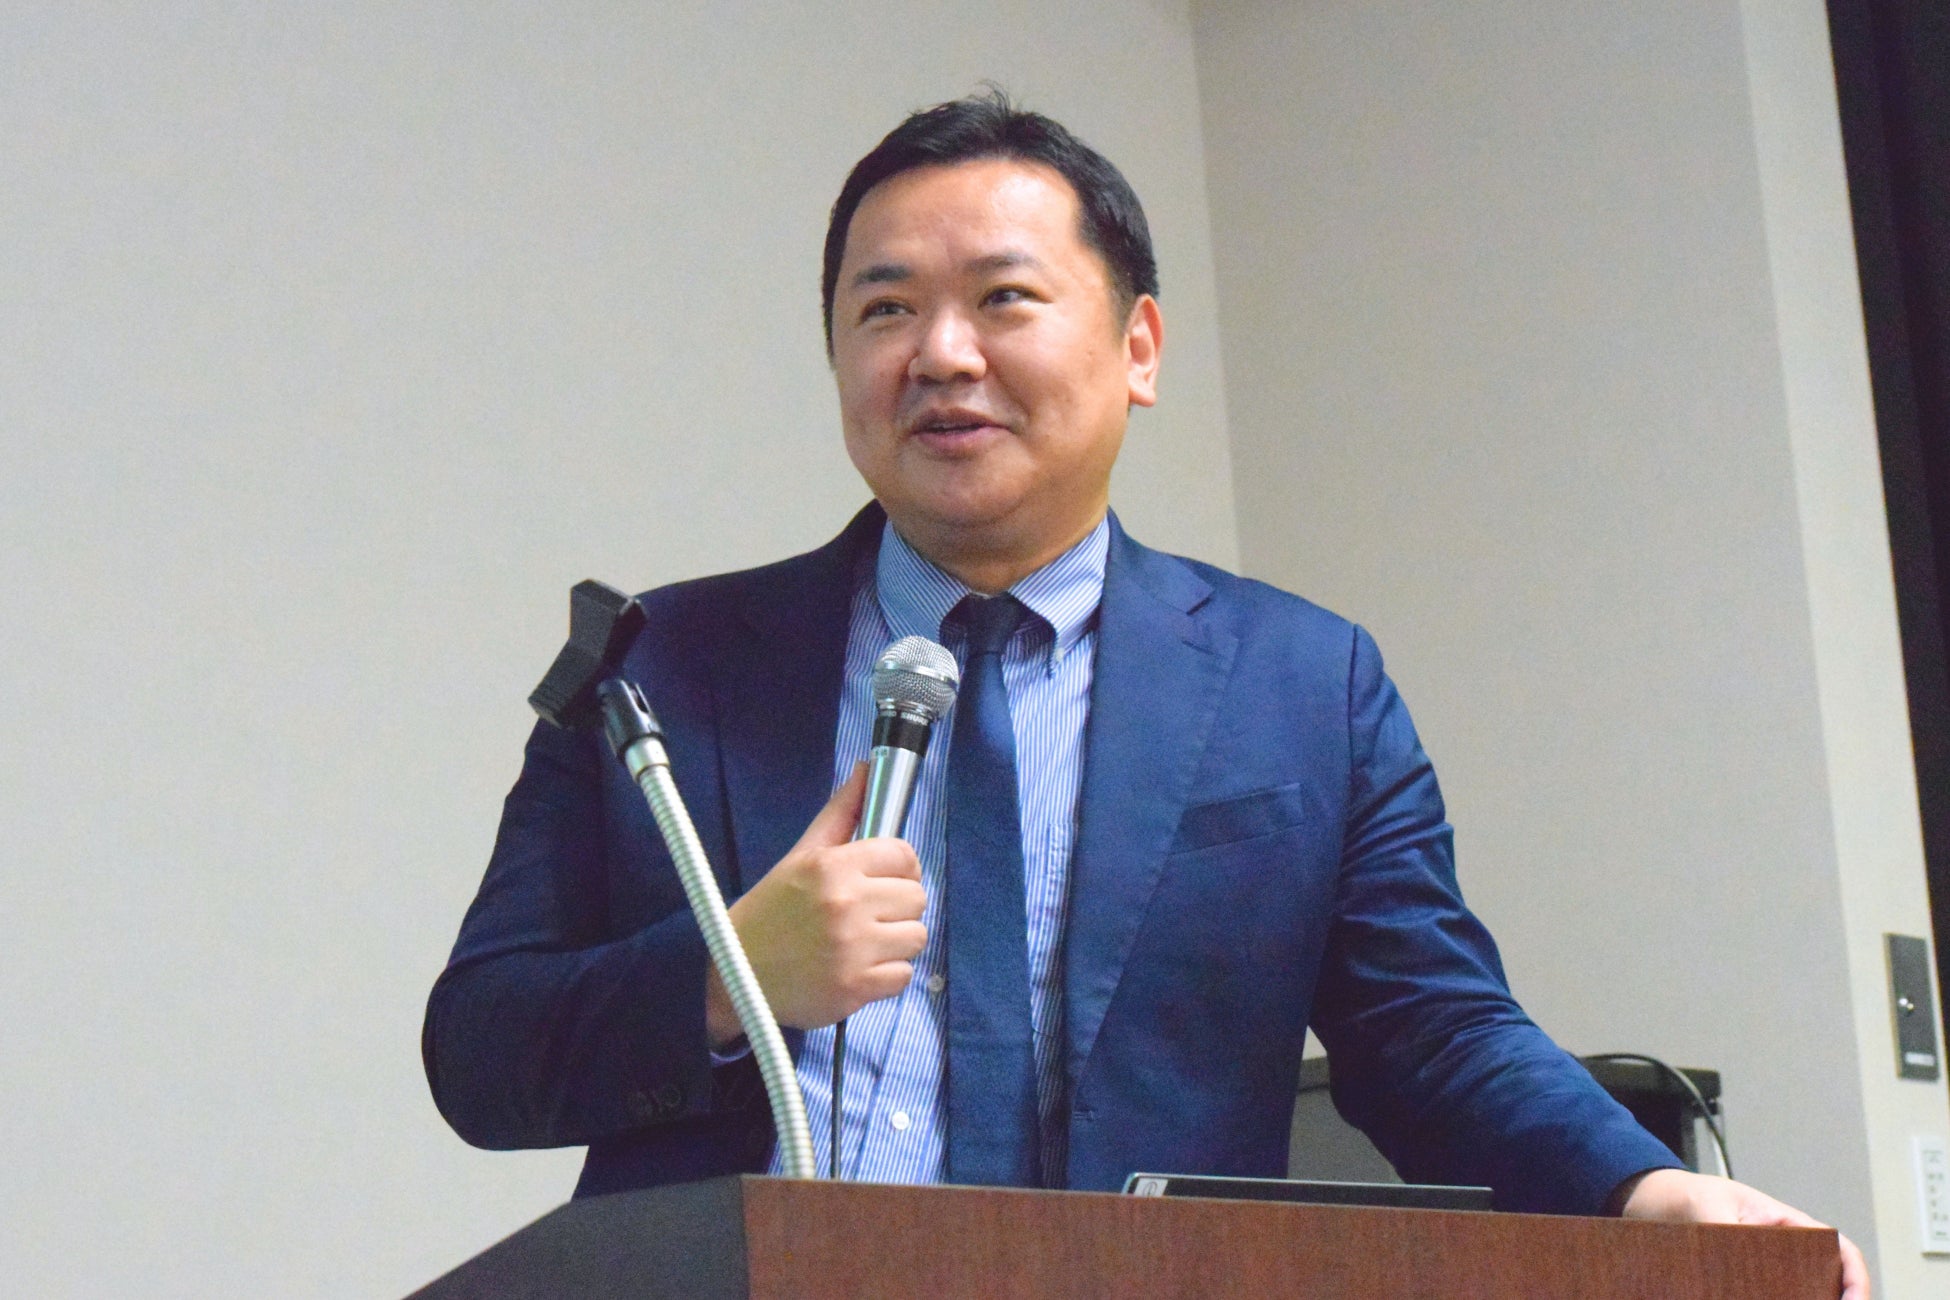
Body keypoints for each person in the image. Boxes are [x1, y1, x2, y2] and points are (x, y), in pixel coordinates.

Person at [423, 91, 1867, 1296]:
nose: (940, 353)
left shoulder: (1300, 684)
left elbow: (1431, 1032)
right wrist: (729, 973)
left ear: (1137, 350)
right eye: (886, 309)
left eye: (1003, 299)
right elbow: (480, 1050)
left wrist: (1644, 1188)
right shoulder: (668, 665)